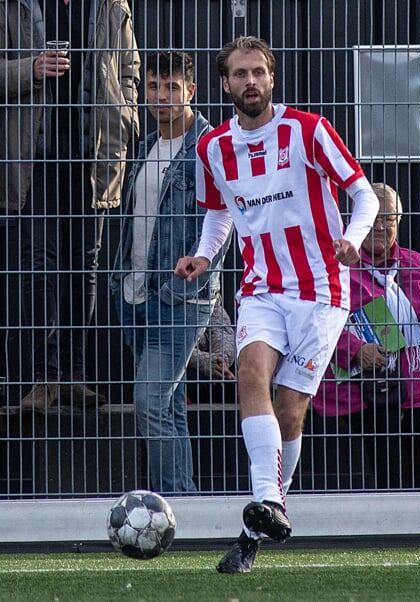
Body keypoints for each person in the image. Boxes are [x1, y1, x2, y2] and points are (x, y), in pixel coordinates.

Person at [174, 36, 378, 573]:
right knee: (249, 372)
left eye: (258, 72)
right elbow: (219, 214)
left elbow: (365, 195)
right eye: (239, 74)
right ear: (225, 84)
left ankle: (252, 533)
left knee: (290, 410)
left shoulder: (309, 130)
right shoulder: (211, 148)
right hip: (261, 286)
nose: (250, 82)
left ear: (271, 78)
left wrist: (354, 238)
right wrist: (202, 255)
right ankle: (267, 500)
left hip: (321, 290)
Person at [17, 0, 140, 411]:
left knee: (84, 265)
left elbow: (129, 69)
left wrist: (128, 116)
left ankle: (73, 375)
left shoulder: (111, 3)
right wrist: (29, 69)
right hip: (35, 156)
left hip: (95, 153)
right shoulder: (14, 6)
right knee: (40, 264)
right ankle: (44, 377)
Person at [109, 50, 222, 494]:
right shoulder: (147, 146)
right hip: (135, 296)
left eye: (172, 87)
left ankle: (173, 506)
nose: (161, 96)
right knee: (170, 406)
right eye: (154, 87)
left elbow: (226, 215)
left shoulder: (210, 148)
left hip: (181, 298)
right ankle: (184, 503)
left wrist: (203, 262)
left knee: (150, 402)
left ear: (190, 91)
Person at [313, 183, 420, 489]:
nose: (381, 227)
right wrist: (355, 350)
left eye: (390, 220)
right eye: (374, 219)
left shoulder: (416, 263)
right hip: (362, 390)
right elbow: (317, 323)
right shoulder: (337, 268)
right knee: (387, 455)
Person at [186, 296, 237, 404]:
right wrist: (205, 362)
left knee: (233, 373)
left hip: (210, 363)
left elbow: (221, 330)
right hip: (183, 363)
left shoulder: (207, 291)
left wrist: (221, 359)